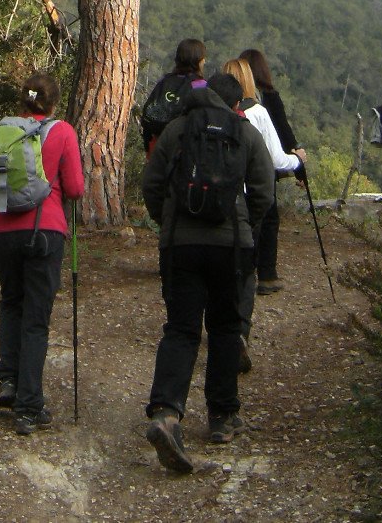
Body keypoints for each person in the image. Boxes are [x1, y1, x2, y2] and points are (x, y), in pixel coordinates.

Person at [142, 70, 273, 469]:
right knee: (225, 328)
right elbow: (264, 191)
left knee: (181, 329)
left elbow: (152, 184)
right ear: (236, 104)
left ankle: (166, 412)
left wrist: (166, 222)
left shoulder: (177, 129)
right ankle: (222, 417)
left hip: (180, 244)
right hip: (231, 245)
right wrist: (244, 225)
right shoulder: (244, 132)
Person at [0, 71, 85, 435]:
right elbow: (75, 188)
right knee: (36, 319)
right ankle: (28, 407)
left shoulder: (3, 133)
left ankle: (9, 382)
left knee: (11, 303)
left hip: (3, 231)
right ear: (53, 102)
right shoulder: (62, 132)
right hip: (44, 231)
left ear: (22, 100)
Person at [220, 59, 306, 371]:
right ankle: (239, 331)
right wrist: (297, 161)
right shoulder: (256, 113)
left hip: (212, 200)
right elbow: (276, 160)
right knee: (244, 268)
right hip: (245, 201)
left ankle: (219, 325)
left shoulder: (208, 114)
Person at [239, 47, 301, 293]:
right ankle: (266, 274)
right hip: (266, 169)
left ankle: (246, 270)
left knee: (247, 217)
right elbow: (284, 131)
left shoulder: (235, 100)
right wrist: (298, 164)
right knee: (269, 217)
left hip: (242, 168)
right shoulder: (269, 97)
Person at [139, 37, 208, 156]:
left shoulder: (165, 81)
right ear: (199, 60)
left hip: (156, 148)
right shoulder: (201, 86)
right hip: (181, 152)